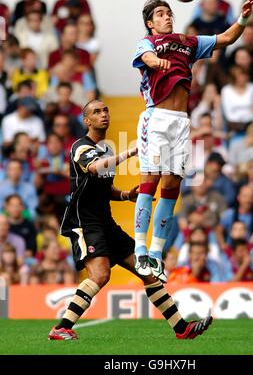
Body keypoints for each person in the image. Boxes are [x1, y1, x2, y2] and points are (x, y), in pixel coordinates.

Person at [48, 99, 213, 341]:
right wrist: (131, 152)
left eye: (105, 110)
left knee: (147, 273)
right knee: (101, 275)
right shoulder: (80, 147)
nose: (103, 114)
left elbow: (105, 188)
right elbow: (95, 168)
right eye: (96, 112)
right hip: (84, 223)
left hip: (106, 223)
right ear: (86, 121)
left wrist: (126, 195)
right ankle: (61, 327)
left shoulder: (106, 149)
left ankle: (182, 329)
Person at [132, 0, 253, 282]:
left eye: (168, 13)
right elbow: (147, 58)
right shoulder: (147, 44)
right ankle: (139, 248)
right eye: (160, 15)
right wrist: (158, 62)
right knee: (149, 183)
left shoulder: (189, 43)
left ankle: (155, 253)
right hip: (157, 118)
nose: (167, 17)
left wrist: (243, 18)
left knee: (172, 188)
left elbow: (225, 38)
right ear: (151, 24)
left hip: (181, 122)